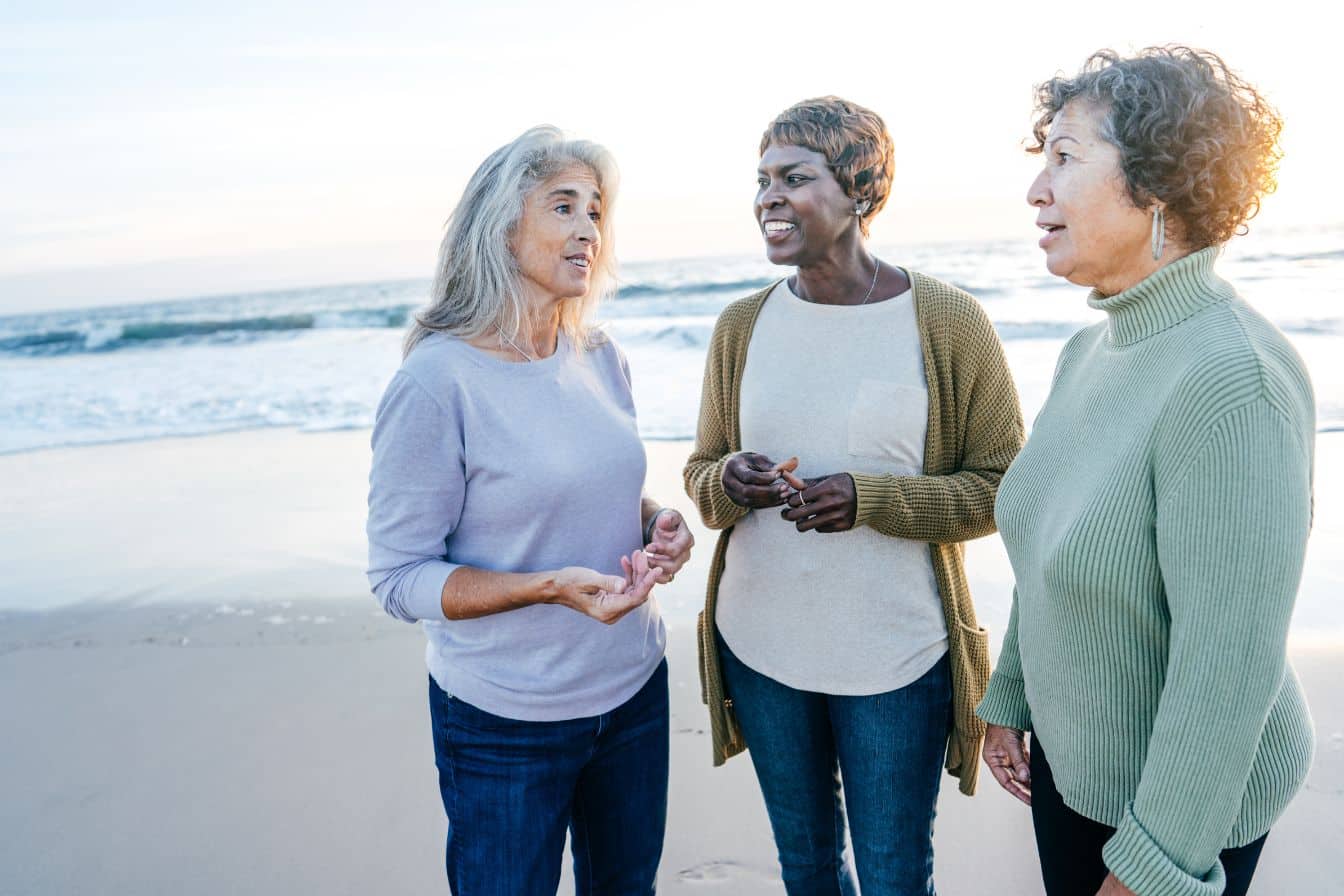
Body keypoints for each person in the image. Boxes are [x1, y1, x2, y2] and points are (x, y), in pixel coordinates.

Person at [976, 47, 1314, 896]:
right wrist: (1010, 696)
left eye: (1066, 157)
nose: (1036, 190)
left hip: (1177, 810)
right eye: (1040, 157)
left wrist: (1153, 869)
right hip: (1072, 769)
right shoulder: (1089, 348)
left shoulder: (1233, 381)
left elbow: (1225, 669)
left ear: (1158, 185)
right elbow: (1047, 542)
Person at [683, 96, 1024, 896]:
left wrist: (870, 499)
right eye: (762, 179)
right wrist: (728, 481)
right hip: (760, 647)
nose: (768, 195)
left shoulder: (947, 321)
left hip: (896, 660)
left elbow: (1003, 487)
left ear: (860, 191)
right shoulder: (741, 325)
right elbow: (701, 474)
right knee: (806, 870)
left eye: (794, 177)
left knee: (895, 876)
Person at [366, 125, 694, 895]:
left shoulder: (599, 355)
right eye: (564, 207)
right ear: (502, 227)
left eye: (597, 211)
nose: (588, 228)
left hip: (633, 692)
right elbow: (399, 578)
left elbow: (586, 489)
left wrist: (654, 526)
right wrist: (547, 587)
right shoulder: (436, 383)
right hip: (503, 722)